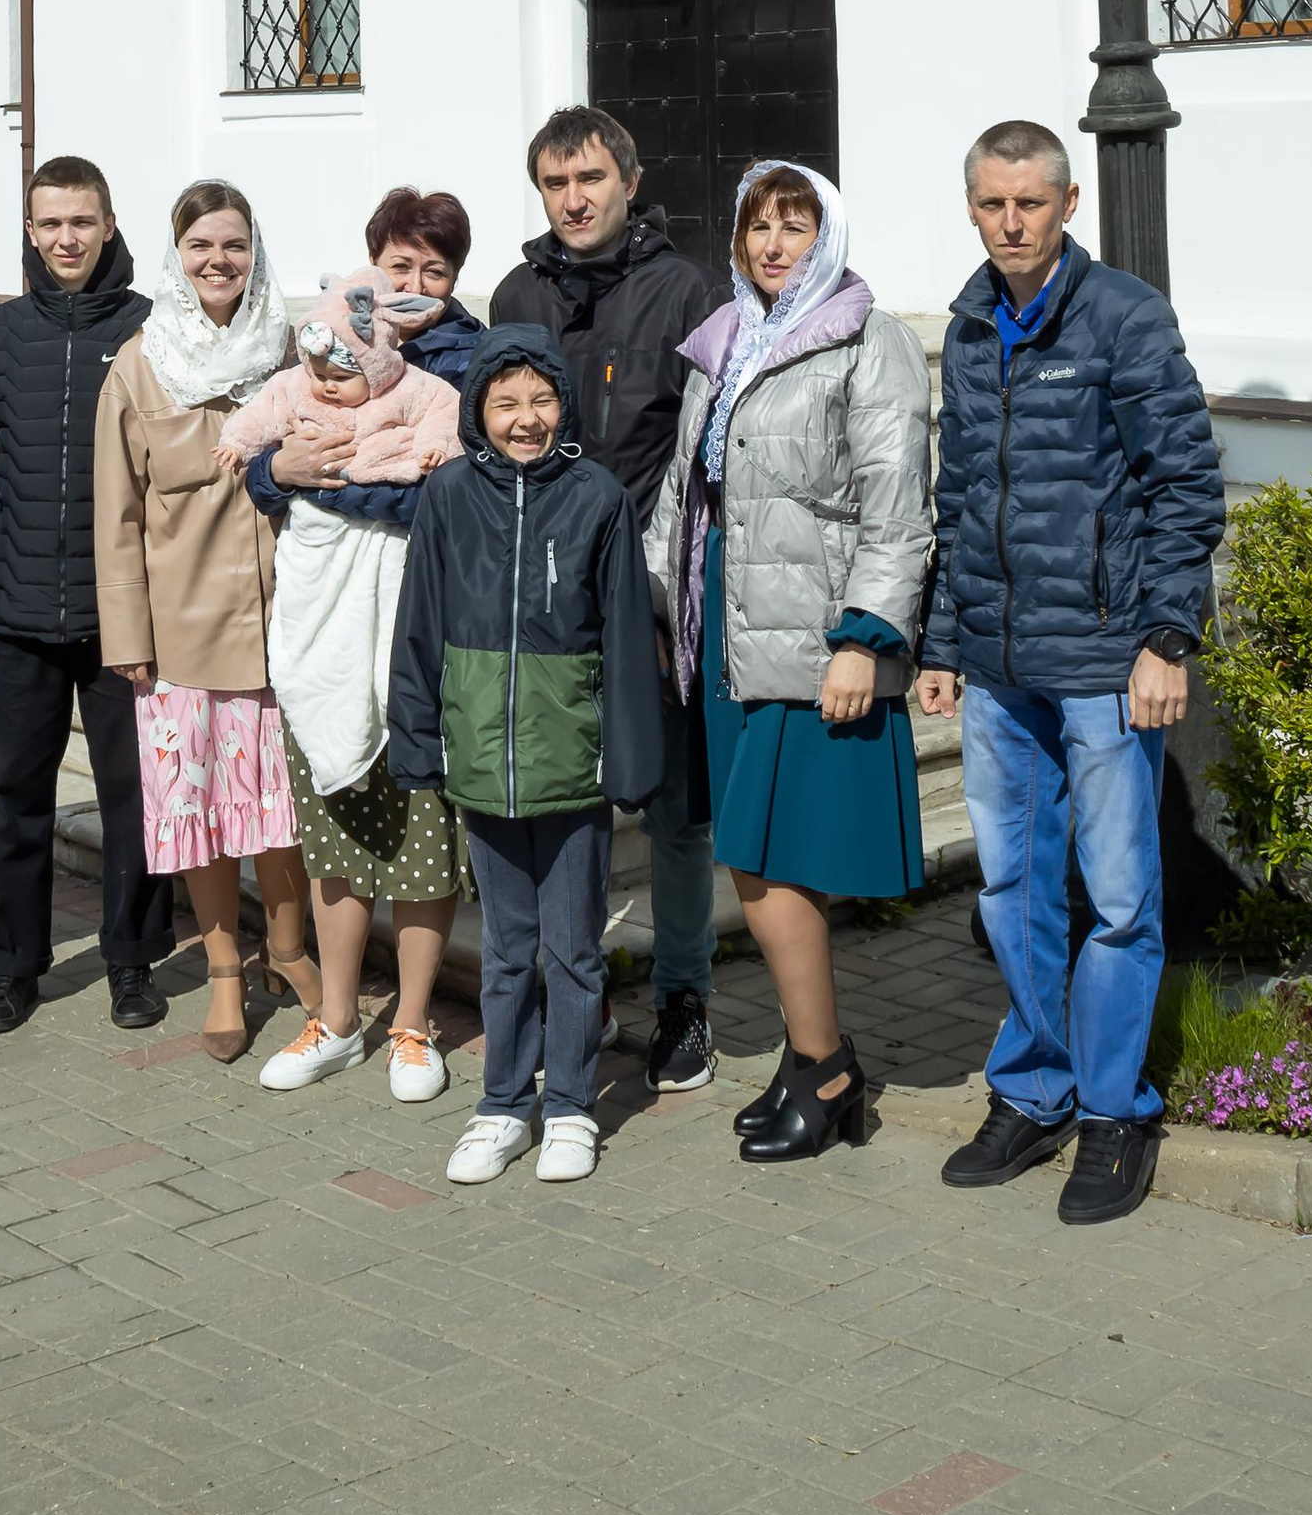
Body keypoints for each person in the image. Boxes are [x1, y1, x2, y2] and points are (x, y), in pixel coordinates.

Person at [915, 122, 1225, 1227]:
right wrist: (943, 643)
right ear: (971, 206)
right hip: (1001, 667)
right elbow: (960, 507)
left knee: (1122, 900)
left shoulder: (1124, 318)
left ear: (1068, 202)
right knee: (1012, 891)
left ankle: (1113, 1110)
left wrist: (1166, 639)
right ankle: (1034, 1089)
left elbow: (1183, 485)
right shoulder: (964, 326)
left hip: (1103, 662)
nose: (1011, 222)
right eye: (993, 204)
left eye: (1030, 204)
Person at [647, 163, 932, 1163]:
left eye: (795, 224)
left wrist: (865, 636)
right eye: (757, 227)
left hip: (811, 630)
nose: (773, 244)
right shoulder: (724, 342)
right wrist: (655, 607)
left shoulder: (868, 340)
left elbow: (897, 509)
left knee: (777, 863)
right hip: (726, 622)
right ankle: (817, 1058)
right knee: (754, 860)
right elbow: (686, 494)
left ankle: (826, 1066)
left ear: (830, 234)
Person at [390, 326, 664, 1184]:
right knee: (507, 950)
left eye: (540, 400)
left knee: (574, 950)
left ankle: (574, 1103)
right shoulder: (448, 498)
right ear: (477, 409)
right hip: (481, 760)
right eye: (505, 403)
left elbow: (624, 636)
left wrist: (629, 755)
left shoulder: (597, 498)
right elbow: (419, 625)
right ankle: (503, 1104)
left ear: (563, 404)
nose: (525, 419)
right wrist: (417, 736)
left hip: (570, 764)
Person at [488, 107, 720, 1089]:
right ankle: (565, 989)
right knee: (552, 808)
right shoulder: (515, 290)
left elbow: (706, 449)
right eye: (555, 183)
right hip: (537, 603)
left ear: (628, 180)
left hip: (651, 601)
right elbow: (489, 429)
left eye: (588, 178)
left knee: (670, 812)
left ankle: (683, 1000)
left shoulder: (685, 293)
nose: (573, 199)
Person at [224, 275, 467, 1103]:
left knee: (421, 836)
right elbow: (259, 448)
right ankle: (335, 1020)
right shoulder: (308, 366)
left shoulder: (448, 371)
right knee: (334, 838)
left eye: (432, 266)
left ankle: (412, 1022)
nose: (415, 281)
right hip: (322, 617)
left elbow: (458, 451)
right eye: (398, 263)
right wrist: (271, 467)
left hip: (405, 622)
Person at [92, 181, 320, 1062]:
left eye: (234, 245)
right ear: (176, 257)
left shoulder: (296, 354)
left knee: (283, 811)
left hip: (284, 624)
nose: (218, 261)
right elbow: (116, 515)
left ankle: (289, 951)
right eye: (201, 247)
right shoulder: (140, 364)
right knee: (202, 816)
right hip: (181, 637)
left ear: (254, 253)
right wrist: (129, 641)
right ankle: (226, 967)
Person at [0, 153, 176, 1039]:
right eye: (50, 223)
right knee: (18, 799)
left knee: (134, 797)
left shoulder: (148, 332)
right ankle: (13, 967)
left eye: (81, 222)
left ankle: (133, 961)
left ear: (109, 226)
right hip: (19, 612)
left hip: (120, 617)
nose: (66, 238)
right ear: (29, 230)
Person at [362, 185, 481, 391]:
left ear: (455, 276)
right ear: (373, 263)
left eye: (434, 272)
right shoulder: (338, 331)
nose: (415, 288)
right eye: (400, 267)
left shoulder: (476, 361)